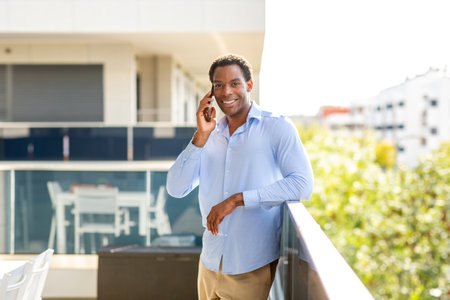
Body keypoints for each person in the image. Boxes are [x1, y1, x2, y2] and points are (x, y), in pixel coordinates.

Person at [166, 54, 313, 300]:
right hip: (209, 263)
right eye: (219, 85)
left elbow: (303, 184)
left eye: (234, 83)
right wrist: (200, 136)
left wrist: (237, 200)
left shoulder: (276, 127)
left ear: (249, 85)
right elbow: (176, 188)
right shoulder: (208, 134)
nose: (226, 92)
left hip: (251, 267)